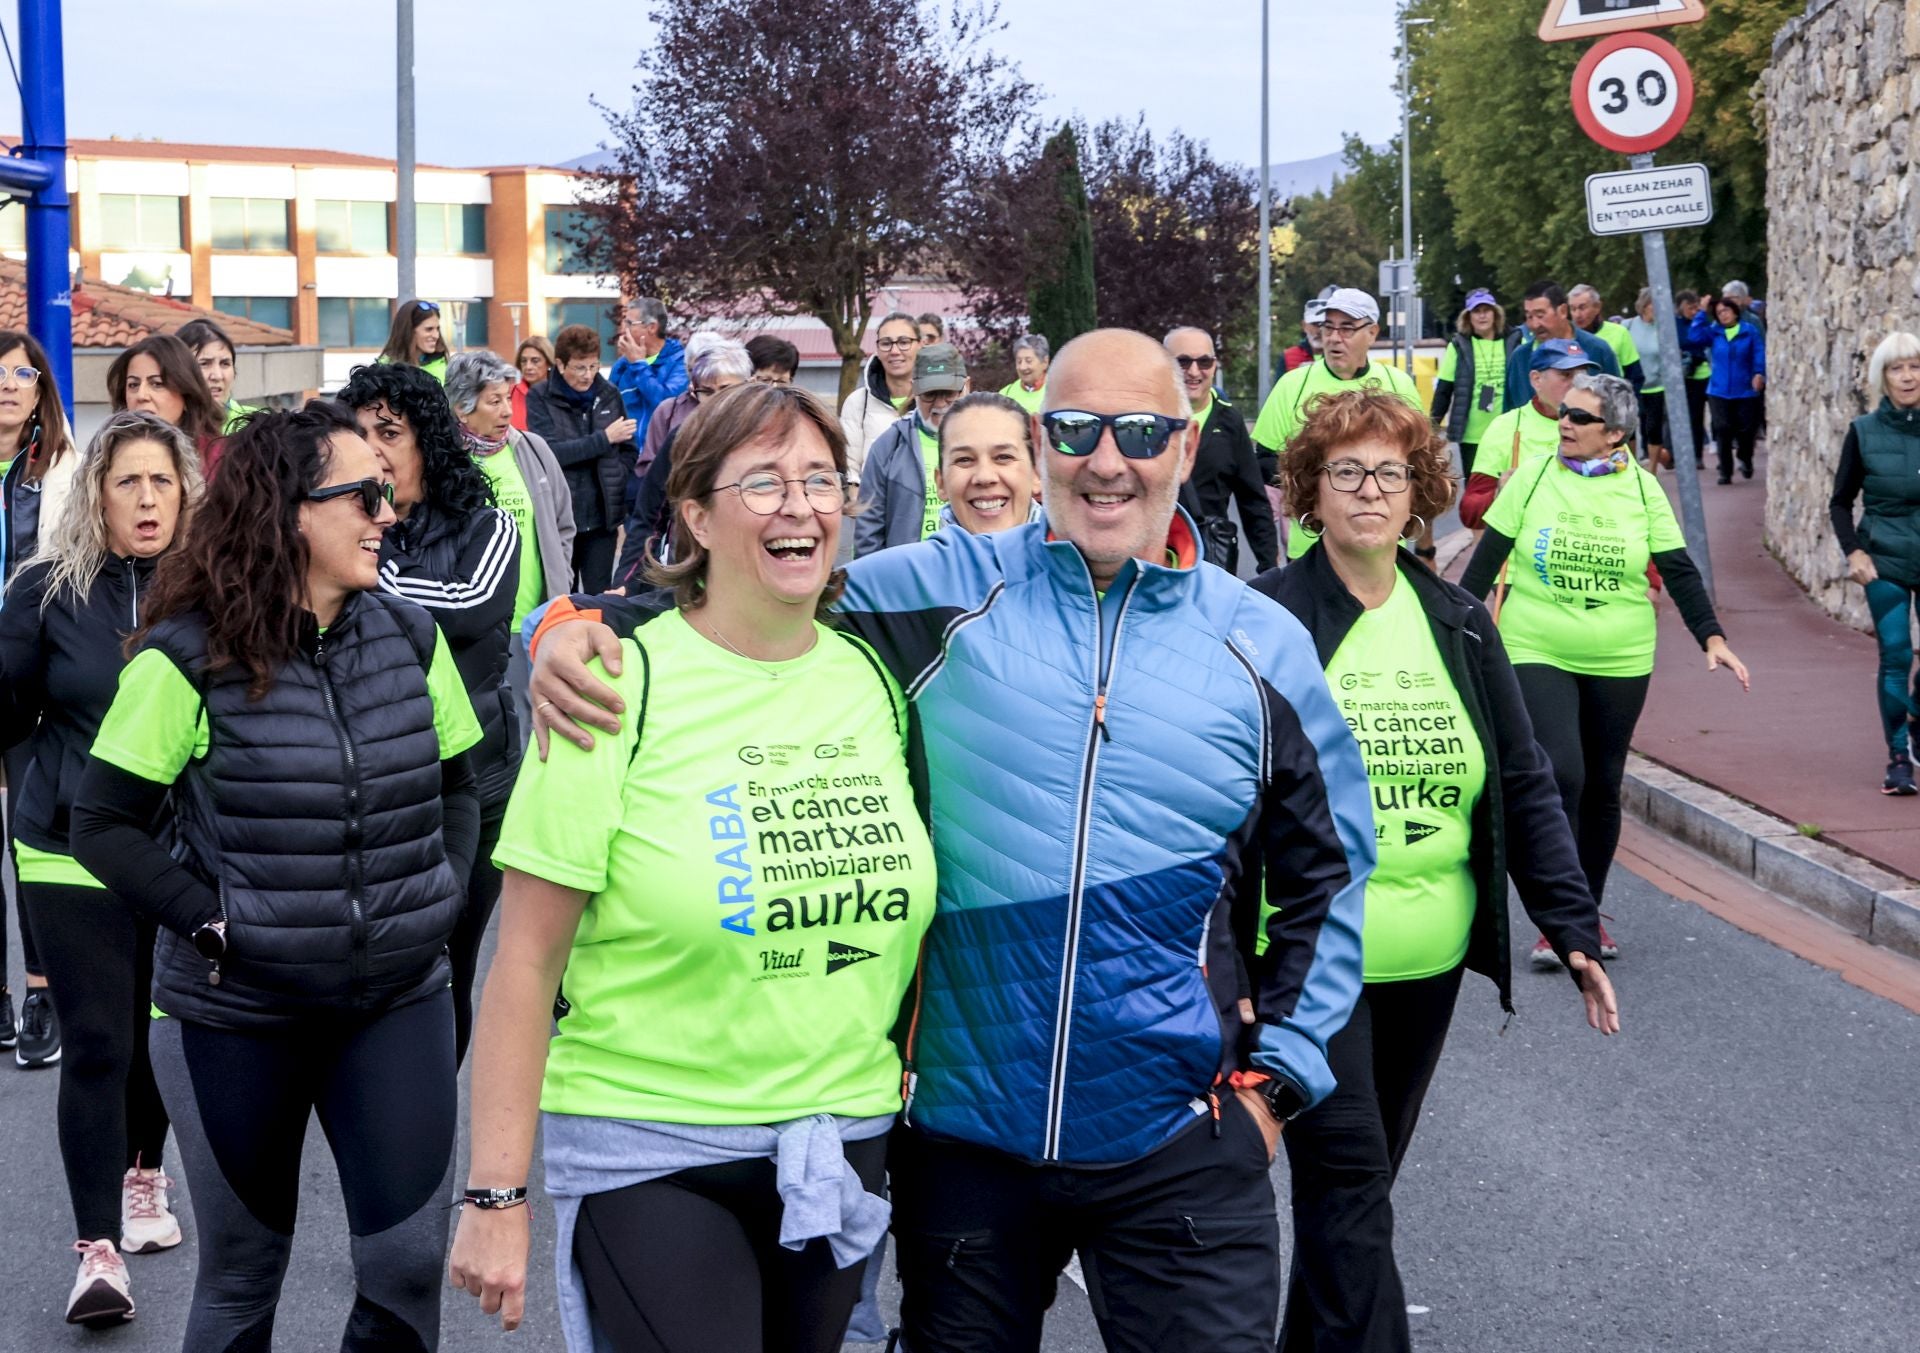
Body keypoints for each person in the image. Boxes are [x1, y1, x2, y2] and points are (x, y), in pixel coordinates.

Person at [529, 328, 1375, 1353]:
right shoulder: (928, 592)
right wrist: (565, 624)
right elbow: (738, 595)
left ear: (1186, 448)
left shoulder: (1260, 640)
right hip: (967, 1142)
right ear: (1041, 442)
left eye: (1141, 432)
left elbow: (1329, 874)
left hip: (1178, 1142)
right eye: (1075, 430)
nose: (1108, 461)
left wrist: (1275, 1084)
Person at [448, 382, 931, 1351]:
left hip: (838, 1139)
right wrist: (495, 1193)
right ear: (696, 515)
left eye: (820, 479)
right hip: (650, 1143)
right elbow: (525, 964)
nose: (799, 505)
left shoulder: (872, 677)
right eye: (763, 482)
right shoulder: (610, 685)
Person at [70, 401, 484, 1351]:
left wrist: (442, 891)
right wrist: (213, 924)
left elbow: (464, 786)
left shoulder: (412, 638)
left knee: (409, 1268)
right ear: (294, 509)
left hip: (398, 999)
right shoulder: (185, 657)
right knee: (245, 1273)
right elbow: (100, 821)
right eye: (365, 495)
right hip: (235, 1015)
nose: (388, 513)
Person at [1257, 388, 1619, 1353]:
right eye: (1346, 473)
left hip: (1427, 960)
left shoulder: (1458, 620)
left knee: (1360, 1196)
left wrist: (1571, 927)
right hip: (1304, 962)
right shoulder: (1265, 619)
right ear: (1311, 490)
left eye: (1390, 473)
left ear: (1419, 492)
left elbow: (1523, 780)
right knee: (1350, 1180)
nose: (1369, 492)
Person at [0, 411, 201, 1325]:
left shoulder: (217, 590)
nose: (148, 499)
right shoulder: (44, 589)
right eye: (129, 483)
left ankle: (144, 1174)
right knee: (96, 1043)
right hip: (68, 843)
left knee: (158, 1039)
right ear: (97, 496)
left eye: (163, 481)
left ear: (187, 491)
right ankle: (96, 1254)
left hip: (174, 850)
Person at [1461, 372, 1749, 961]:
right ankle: (1559, 916)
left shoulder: (1643, 492)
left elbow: (1678, 567)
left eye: (1581, 418)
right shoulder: (1535, 475)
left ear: (1615, 434)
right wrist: (1452, 629)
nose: (1564, 422)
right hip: (1536, 642)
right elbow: (1486, 558)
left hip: (1620, 654)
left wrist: (1711, 637)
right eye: (1564, 412)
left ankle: (1584, 915)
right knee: (1562, 772)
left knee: (1601, 784)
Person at [338, 362, 522, 1059]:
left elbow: (469, 602)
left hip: (474, 779)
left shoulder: (489, 525)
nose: (372, 448)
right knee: (382, 962)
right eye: (357, 432)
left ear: (430, 442)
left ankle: (432, 1122)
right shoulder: (337, 523)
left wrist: (363, 568)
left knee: (450, 963)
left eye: (388, 431)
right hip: (376, 779)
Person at [0, 327, 77, 1064]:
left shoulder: (64, 467)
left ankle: (41, 990)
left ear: (40, 389)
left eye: (19, 374)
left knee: (32, 842)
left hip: (29, 673)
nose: (6, 385)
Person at [447, 350, 575, 741]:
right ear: (462, 410)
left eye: (508, 397)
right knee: (487, 730)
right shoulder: (447, 463)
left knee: (539, 724)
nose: (506, 410)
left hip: (535, 621)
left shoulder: (532, 448)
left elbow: (563, 525)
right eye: (494, 400)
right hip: (477, 628)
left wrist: (559, 578)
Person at [1252, 288, 1421, 558]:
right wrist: (1320, 481)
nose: (1333, 338)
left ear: (1372, 333)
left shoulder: (1398, 384)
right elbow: (1264, 461)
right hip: (1312, 544)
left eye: (1346, 329)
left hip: (1381, 540)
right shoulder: (1293, 384)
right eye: (1327, 327)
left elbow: (1418, 460)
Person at [1829, 331, 1920, 794]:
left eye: (1915, 366)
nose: (1907, 376)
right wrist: (1855, 552)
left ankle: (1917, 718)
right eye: (1896, 368)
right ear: (1882, 376)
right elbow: (1840, 502)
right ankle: (1899, 758)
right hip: (1883, 558)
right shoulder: (1864, 432)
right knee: (1896, 654)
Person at [615, 337, 753, 586]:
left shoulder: (769, 440)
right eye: (707, 392)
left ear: (748, 387)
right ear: (694, 392)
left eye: (727, 389)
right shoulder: (682, 440)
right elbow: (648, 519)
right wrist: (625, 584)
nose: (717, 400)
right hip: (690, 569)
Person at [524, 324, 637, 593]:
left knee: (600, 595)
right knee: (562, 595)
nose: (588, 375)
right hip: (561, 517)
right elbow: (550, 454)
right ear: (561, 365)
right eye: (580, 368)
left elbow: (630, 449)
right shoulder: (540, 397)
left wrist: (617, 476)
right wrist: (603, 439)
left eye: (594, 366)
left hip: (603, 517)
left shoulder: (609, 394)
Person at [1165, 326, 1277, 573]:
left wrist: (1269, 567)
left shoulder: (1230, 422)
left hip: (1209, 563)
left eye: (1204, 362)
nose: (1194, 371)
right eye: (1183, 362)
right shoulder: (1146, 418)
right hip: (1153, 559)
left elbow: (1253, 500)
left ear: (1214, 365)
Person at [1458, 339, 1597, 529]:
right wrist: (1500, 493)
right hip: (1527, 554)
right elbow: (1470, 513)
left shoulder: (1600, 425)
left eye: (1582, 376)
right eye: (1566, 375)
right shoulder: (1506, 427)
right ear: (1536, 380)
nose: (1576, 384)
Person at [852, 343, 969, 555]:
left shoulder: (989, 441)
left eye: (949, 393)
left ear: (966, 387)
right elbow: (868, 530)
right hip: (908, 575)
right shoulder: (888, 447)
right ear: (913, 389)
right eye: (929, 394)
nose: (940, 403)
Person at [1431, 288, 1521, 472]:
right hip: (1472, 436)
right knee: (1477, 492)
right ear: (1468, 317)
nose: (1482, 316)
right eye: (1476, 311)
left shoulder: (1515, 341)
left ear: (1495, 314)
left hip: (1508, 431)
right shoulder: (1458, 346)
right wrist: (1430, 429)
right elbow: (1444, 390)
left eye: (1486, 310)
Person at [931, 390, 1044, 535]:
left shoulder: (1077, 556)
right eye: (964, 459)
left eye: (1003, 457)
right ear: (941, 483)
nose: (985, 477)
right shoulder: (912, 558)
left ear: (1036, 473)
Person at [1501, 281, 1621, 411]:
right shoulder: (1520, 358)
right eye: (1529, 316)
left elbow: (1617, 410)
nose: (1535, 324)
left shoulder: (1597, 350)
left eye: (1540, 315)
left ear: (1563, 311)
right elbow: (1509, 410)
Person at [105, 334, 225, 463]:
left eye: (157, 384)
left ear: (186, 394)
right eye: (133, 385)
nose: (141, 396)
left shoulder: (221, 459)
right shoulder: (108, 457)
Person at [1691, 294, 1766, 484]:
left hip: (1745, 389)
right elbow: (1694, 337)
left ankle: (1745, 457)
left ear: (1735, 311)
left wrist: (1759, 373)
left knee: (1746, 430)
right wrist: (1701, 312)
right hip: (1719, 390)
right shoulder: (1714, 333)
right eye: (1718, 313)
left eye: (1726, 311)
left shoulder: (1749, 331)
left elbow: (1759, 353)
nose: (1723, 315)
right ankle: (1725, 471)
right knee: (1722, 429)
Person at [608, 297, 688, 470]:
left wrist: (639, 365)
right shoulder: (621, 366)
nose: (623, 329)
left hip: (665, 463)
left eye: (630, 323)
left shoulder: (679, 361)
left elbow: (667, 403)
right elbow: (608, 408)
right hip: (627, 463)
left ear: (652, 327)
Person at [839, 312, 921, 481]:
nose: (895, 351)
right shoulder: (858, 403)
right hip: (874, 504)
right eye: (886, 343)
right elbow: (849, 466)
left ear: (920, 345)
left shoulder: (935, 402)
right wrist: (858, 501)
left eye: (904, 342)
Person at [177, 317, 258, 433]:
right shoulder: (162, 430)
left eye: (225, 363)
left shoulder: (256, 426)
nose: (217, 376)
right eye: (204, 364)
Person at [1625, 288, 1672, 470]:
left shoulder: (1663, 329)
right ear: (1644, 305)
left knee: (1653, 429)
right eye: (1654, 304)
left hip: (1656, 387)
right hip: (1633, 386)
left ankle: (1652, 469)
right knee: (1631, 428)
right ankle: (1632, 465)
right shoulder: (1628, 326)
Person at [1569, 283, 1645, 391]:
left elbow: (1635, 376)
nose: (1577, 314)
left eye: (1582, 308)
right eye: (1573, 309)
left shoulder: (1619, 332)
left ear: (1597, 307)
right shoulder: (1565, 337)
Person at [1675, 291, 1712, 466]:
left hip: (1705, 372)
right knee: (1692, 417)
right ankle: (1694, 455)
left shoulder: (1702, 321)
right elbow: (1684, 340)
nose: (1693, 311)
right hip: (1686, 375)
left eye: (1696, 308)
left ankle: (1707, 452)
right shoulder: (1675, 324)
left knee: (1711, 418)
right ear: (1680, 308)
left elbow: (1702, 339)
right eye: (1689, 308)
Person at [377, 298, 450, 383]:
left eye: (437, 329)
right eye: (429, 329)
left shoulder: (445, 368)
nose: (436, 336)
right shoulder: (383, 371)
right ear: (409, 330)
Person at [511, 335, 556, 432]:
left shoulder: (560, 395)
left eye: (535, 361)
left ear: (548, 362)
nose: (528, 367)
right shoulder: (509, 394)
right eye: (524, 361)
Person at [999, 333, 1049, 415]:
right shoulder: (1005, 394)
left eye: (1028, 361)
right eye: (1019, 361)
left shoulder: (1056, 391)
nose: (1023, 367)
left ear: (1045, 362)